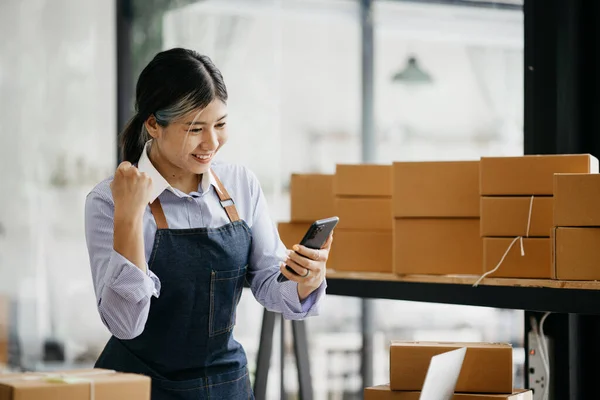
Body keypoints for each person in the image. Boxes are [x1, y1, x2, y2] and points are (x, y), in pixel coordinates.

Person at [84, 48, 332, 400]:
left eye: (220, 124)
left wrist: (307, 280)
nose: (212, 143)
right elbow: (125, 324)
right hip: (139, 388)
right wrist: (128, 216)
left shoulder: (241, 185)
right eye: (195, 128)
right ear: (153, 124)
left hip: (226, 387)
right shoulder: (107, 201)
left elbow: (270, 285)